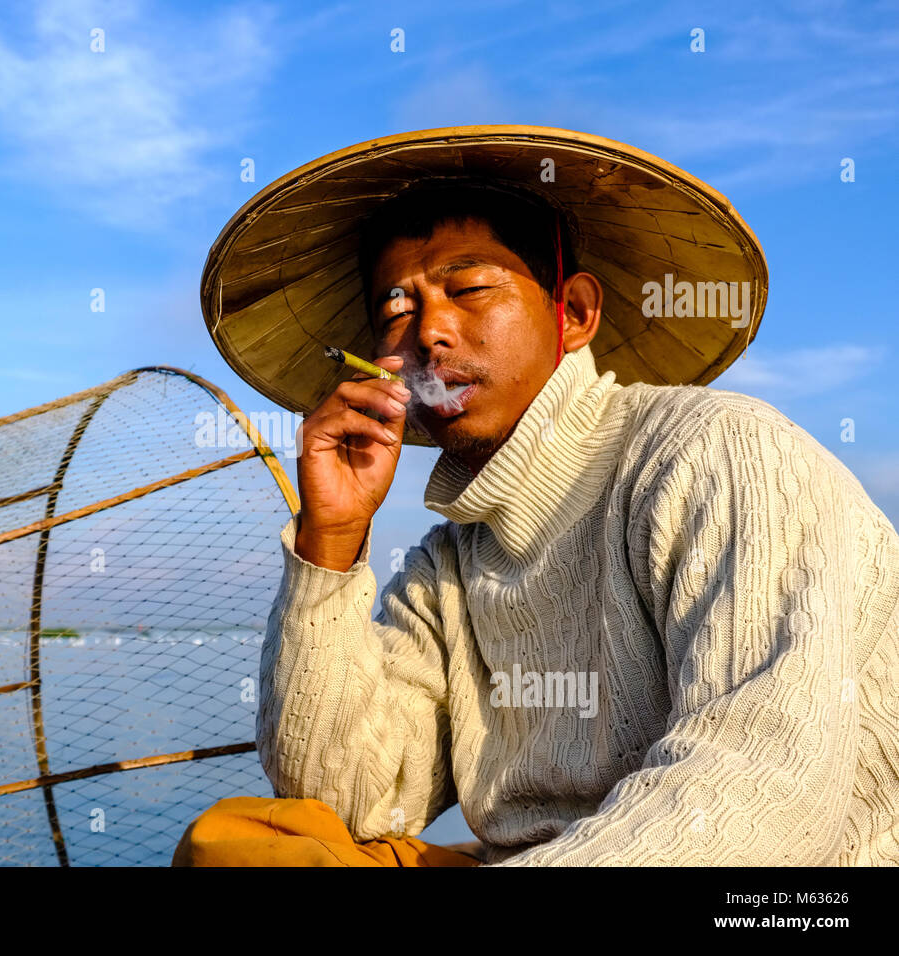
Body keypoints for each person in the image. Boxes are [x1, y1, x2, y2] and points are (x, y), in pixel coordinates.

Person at [175, 126, 899, 866]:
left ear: (575, 314)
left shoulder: (716, 453)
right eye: (397, 309)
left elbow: (758, 796)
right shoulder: (449, 565)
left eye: (469, 289)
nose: (430, 333)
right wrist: (331, 538)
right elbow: (345, 799)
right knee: (243, 849)